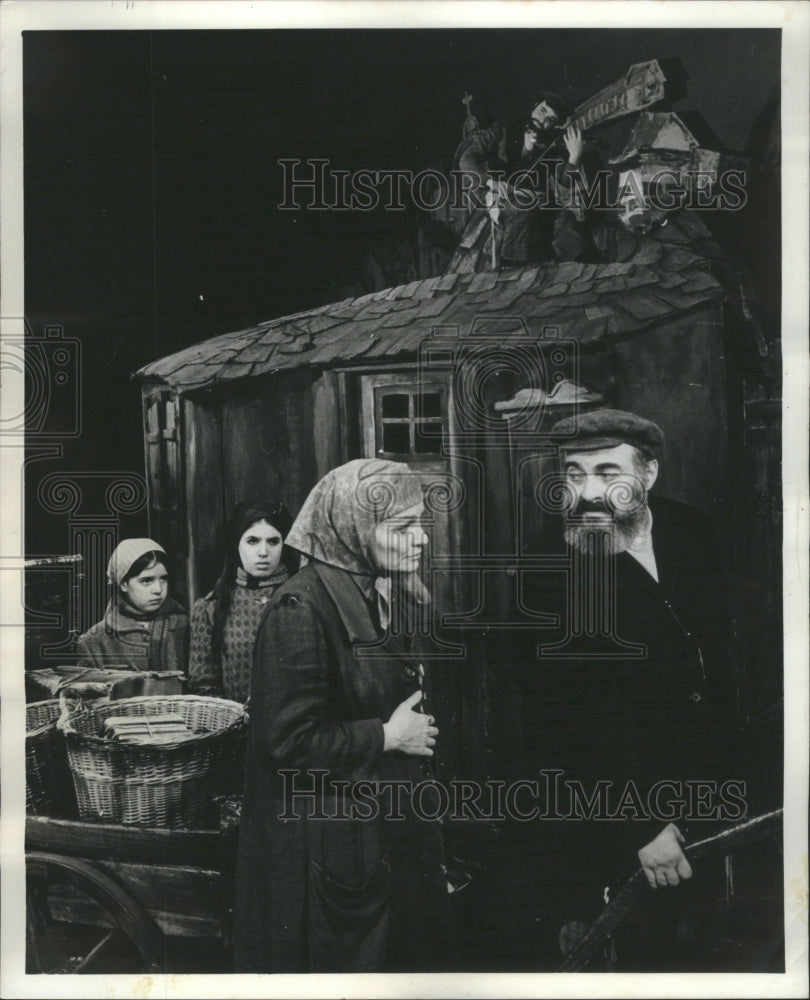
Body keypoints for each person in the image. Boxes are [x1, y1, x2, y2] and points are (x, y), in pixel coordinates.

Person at [503, 408, 738, 968]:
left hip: (703, 801)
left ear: (648, 475)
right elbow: (559, 724)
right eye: (575, 474)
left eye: (608, 473)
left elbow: (719, 669)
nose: (588, 491)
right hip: (608, 822)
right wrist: (642, 824)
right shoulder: (546, 568)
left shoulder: (692, 531)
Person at [233, 459, 452, 973]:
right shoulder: (301, 609)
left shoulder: (377, 592)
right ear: (353, 529)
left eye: (420, 523)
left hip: (369, 832)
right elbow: (285, 743)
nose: (420, 539)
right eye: (402, 528)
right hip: (325, 848)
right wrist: (387, 736)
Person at [456, 92, 593, 264]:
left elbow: (564, 183)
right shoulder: (502, 130)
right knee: (522, 210)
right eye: (543, 110)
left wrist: (574, 158)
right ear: (535, 105)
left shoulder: (550, 144)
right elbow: (467, 159)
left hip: (537, 201)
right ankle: (510, 267)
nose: (543, 121)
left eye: (550, 119)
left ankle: (585, 268)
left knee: (565, 221)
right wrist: (491, 181)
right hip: (500, 198)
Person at [188, 500, 296, 703]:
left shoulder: (304, 599)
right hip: (238, 728)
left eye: (273, 541)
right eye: (252, 541)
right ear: (236, 543)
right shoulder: (210, 607)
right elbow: (203, 685)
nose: (263, 552)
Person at [76, 538, 188, 672]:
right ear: (123, 583)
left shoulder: (186, 625)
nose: (158, 589)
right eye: (146, 581)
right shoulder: (95, 640)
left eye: (163, 579)